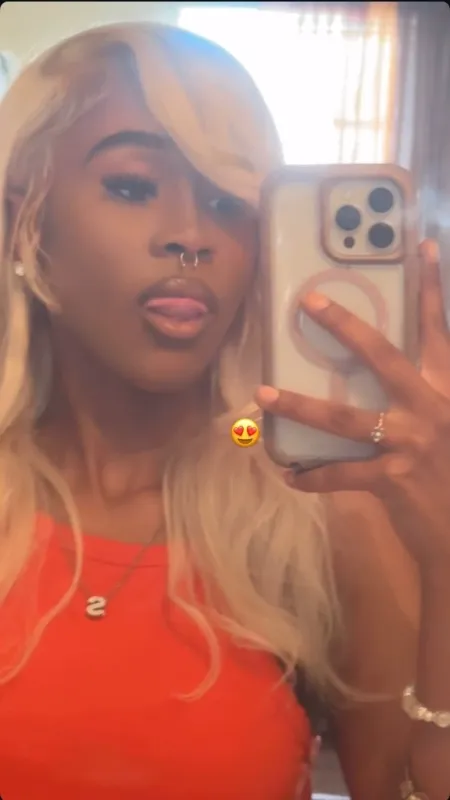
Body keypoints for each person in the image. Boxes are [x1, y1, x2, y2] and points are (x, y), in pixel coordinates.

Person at [0, 20, 448, 800]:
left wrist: (446, 558)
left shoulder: (318, 512)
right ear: (21, 223)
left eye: (228, 201)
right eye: (133, 185)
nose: (192, 236)